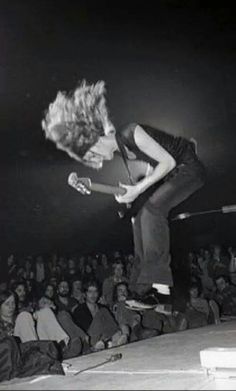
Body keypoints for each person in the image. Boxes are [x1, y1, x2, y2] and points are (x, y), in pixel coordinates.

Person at [42, 80, 206, 312]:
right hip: (173, 175)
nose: (95, 159)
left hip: (188, 168)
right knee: (139, 219)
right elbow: (147, 179)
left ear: (96, 138)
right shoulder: (125, 154)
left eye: (91, 153)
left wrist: (138, 190)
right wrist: (89, 185)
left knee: (151, 211)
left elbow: (168, 162)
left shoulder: (131, 132)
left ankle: (161, 290)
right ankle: (143, 289)